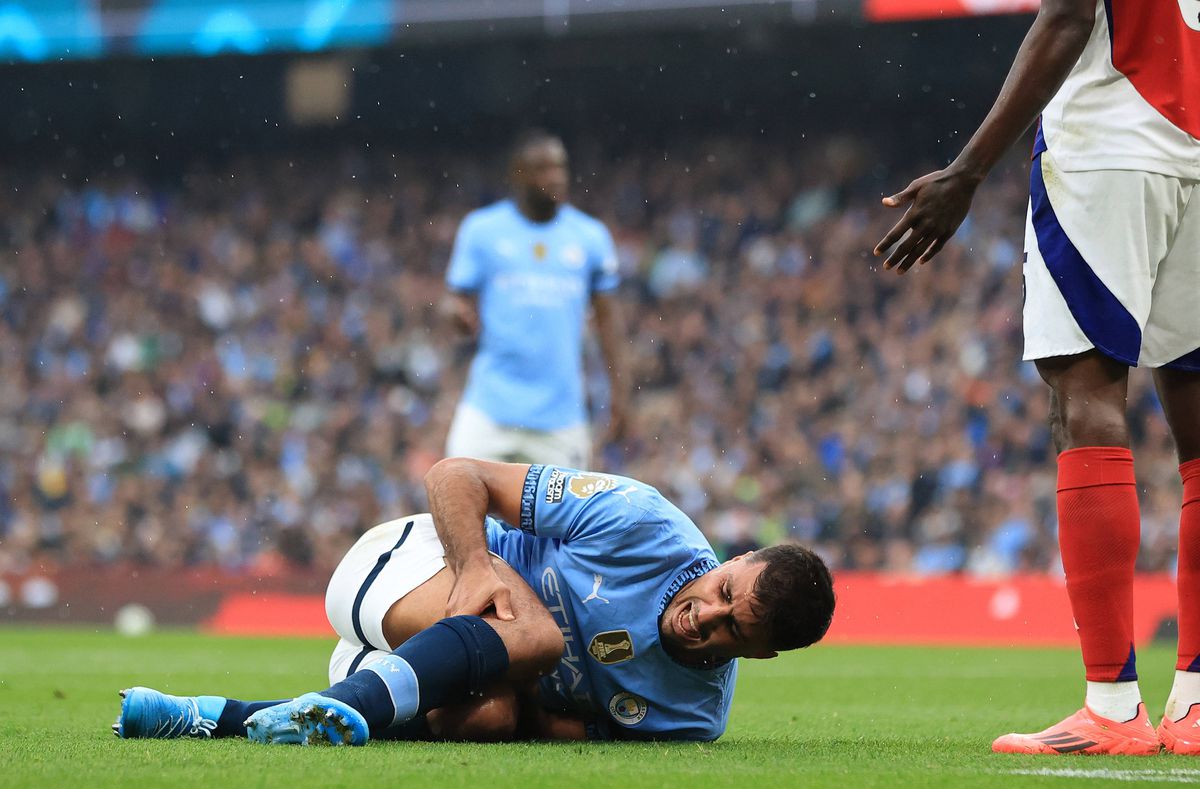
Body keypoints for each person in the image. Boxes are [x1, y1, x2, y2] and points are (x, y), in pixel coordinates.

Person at [876, 1, 1200, 755]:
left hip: (1111, 147)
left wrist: (967, 171)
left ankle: (1114, 708)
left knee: (1085, 400)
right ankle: (1195, 704)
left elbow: (1066, 16)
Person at [113, 459, 835, 743]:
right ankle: (357, 701)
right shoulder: (643, 521)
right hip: (405, 566)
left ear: (759, 653)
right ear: (732, 560)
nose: (704, 615)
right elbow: (455, 476)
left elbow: (553, 735)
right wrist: (475, 568)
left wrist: (523, 708)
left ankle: (210, 717)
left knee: (487, 721)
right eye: (721, 591)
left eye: (730, 630)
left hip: (414, 662)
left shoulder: (692, 718)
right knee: (540, 639)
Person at [441, 130, 629, 468]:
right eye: (542, 169)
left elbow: (608, 322)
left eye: (560, 168)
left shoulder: (590, 237)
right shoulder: (482, 230)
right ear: (518, 174)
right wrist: (457, 314)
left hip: (560, 419)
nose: (555, 177)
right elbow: (455, 299)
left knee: (563, 521)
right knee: (454, 501)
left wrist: (621, 394)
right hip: (490, 409)